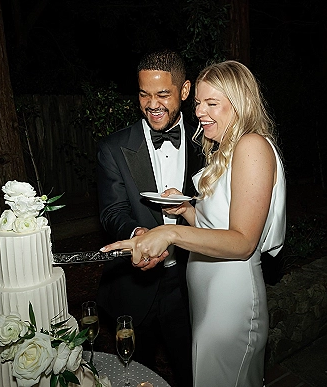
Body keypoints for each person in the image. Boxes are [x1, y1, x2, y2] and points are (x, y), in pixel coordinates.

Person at [101, 60, 286, 386]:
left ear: (240, 102)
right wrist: (186, 209)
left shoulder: (252, 146)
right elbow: (217, 224)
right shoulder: (222, 148)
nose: (199, 112)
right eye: (199, 102)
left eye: (211, 103)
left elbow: (242, 242)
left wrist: (169, 231)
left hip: (231, 298)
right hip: (205, 296)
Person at [95, 49, 202, 387]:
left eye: (162, 94)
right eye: (144, 94)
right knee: (133, 377)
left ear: (184, 92)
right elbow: (112, 211)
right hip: (134, 287)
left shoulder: (209, 142)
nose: (151, 103)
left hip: (191, 283)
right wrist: (138, 233)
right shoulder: (113, 147)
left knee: (191, 373)